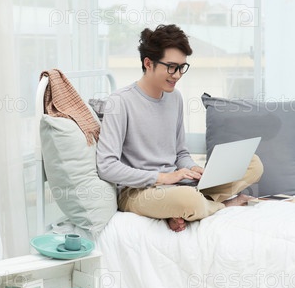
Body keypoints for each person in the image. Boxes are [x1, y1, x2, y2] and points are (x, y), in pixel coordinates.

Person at [96, 24, 263, 232]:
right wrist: (162, 178)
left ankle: (186, 208)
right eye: (171, 67)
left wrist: (193, 168)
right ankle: (221, 205)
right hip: (138, 191)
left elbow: (180, 153)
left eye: (182, 67)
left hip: (176, 186)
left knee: (253, 163)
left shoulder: (175, 98)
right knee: (188, 200)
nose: (177, 75)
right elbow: (106, 166)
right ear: (148, 63)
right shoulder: (120, 102)